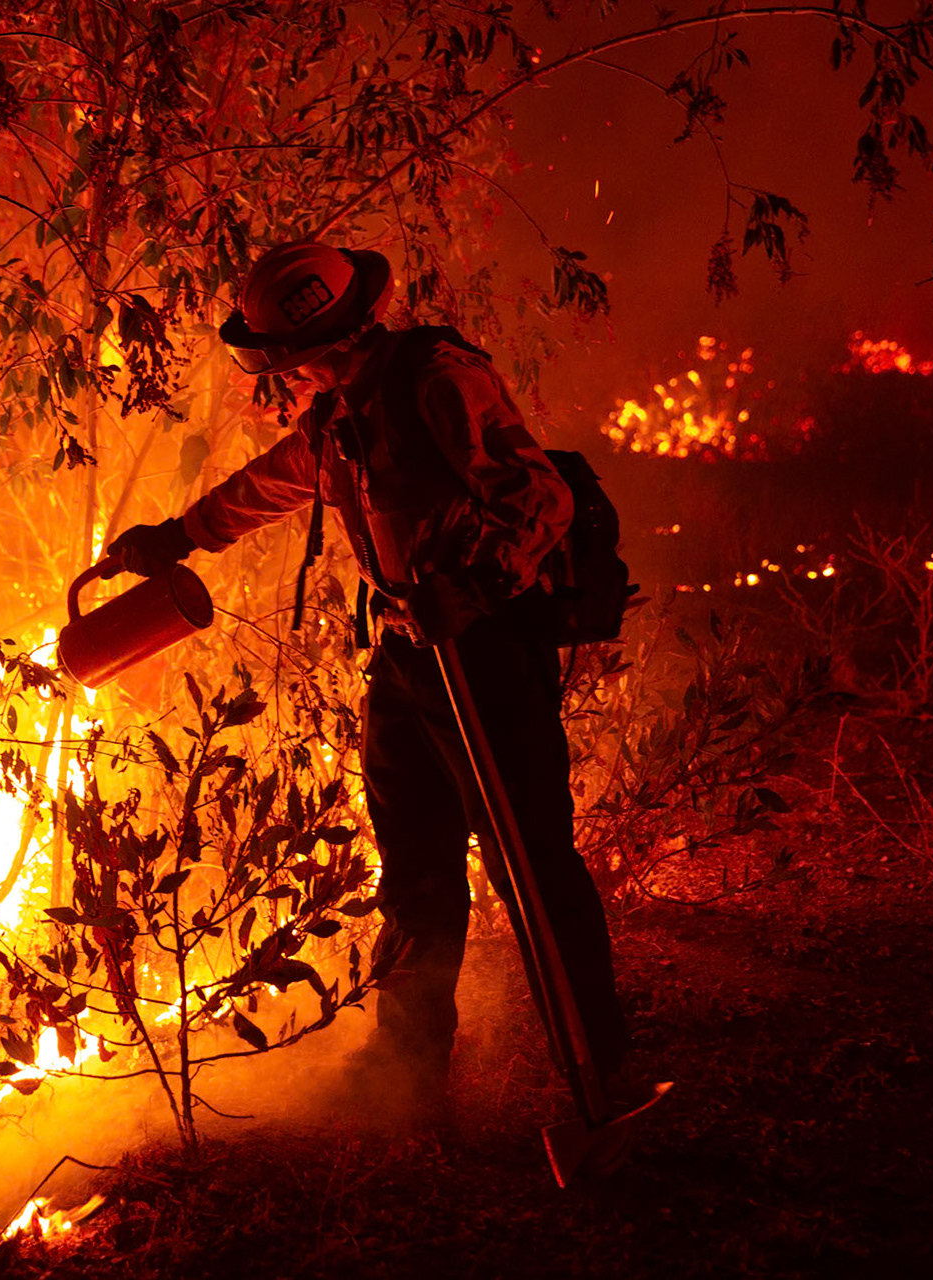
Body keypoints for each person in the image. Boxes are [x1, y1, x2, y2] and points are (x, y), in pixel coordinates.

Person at [103, 241, 629, 1111]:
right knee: (415, 866)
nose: (283, 377)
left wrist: (478, 585)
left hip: (484, 652)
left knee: (529, 864)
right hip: (409, 655)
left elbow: (539, 496)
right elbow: (271, 485)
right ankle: (408, 1071)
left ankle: (599, 1064)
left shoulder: (437, 382)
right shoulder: (342, 414)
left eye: (287, 360)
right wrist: (179, 537)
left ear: (324, 345)